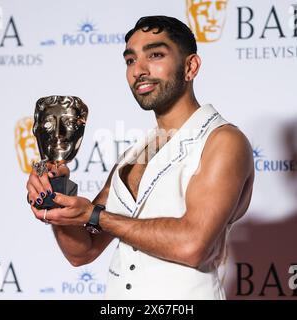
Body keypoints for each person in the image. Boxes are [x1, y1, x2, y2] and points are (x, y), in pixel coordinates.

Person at [26, 15, 254, 299]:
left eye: (156, 55)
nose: (139, 70)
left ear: (190, 66)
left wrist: (95, 215)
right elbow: (82, 251)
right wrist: (55, 197)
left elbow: (194, 245)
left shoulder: (223, 141)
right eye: (130, 60)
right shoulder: (135, 155)